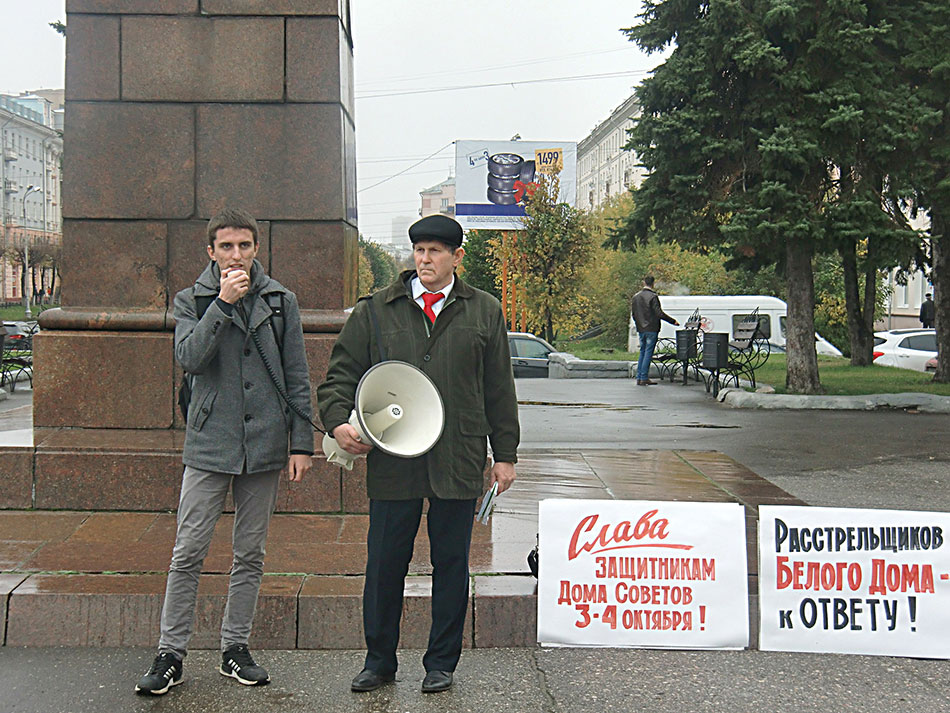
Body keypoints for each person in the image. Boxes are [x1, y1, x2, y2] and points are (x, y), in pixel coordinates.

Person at [317, 214, 519, 694]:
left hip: (458, 455)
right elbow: (340, 375)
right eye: (419, 250)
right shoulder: (376, 310)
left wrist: (505, 454)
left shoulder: (484, 310)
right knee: (385, 564)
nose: (424, 259)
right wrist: (338, 421)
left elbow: (498, 387)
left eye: (435, 251)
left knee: (452, 564)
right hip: (394, 459)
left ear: (456, 257)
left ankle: (441, 663)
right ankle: (378, 661)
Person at [135, 208, 314, 695]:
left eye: (245, 246)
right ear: (211, 252)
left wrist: (301, 443)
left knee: (250, 553)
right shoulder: (191, 299)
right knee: (188, 550)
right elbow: (189, 358)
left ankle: (235, 648)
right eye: (227, 247)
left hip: (265, 444)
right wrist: (222, 303)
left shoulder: (280, 301)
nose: (237, 255)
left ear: (256, 248)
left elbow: (297, 375)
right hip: (210, 442)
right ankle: (170, 654)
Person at [631, 276, 678, 385]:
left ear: (644, 283)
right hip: (651, 328)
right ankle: (644, 377)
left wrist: (639, 324)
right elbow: (659, 313)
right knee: (648, 353)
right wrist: (672, 321)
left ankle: (639, 377)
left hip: (641, 329)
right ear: (653, 283)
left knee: (642, 352)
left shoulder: (636, 297)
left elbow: (634, 314)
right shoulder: (653, 297)